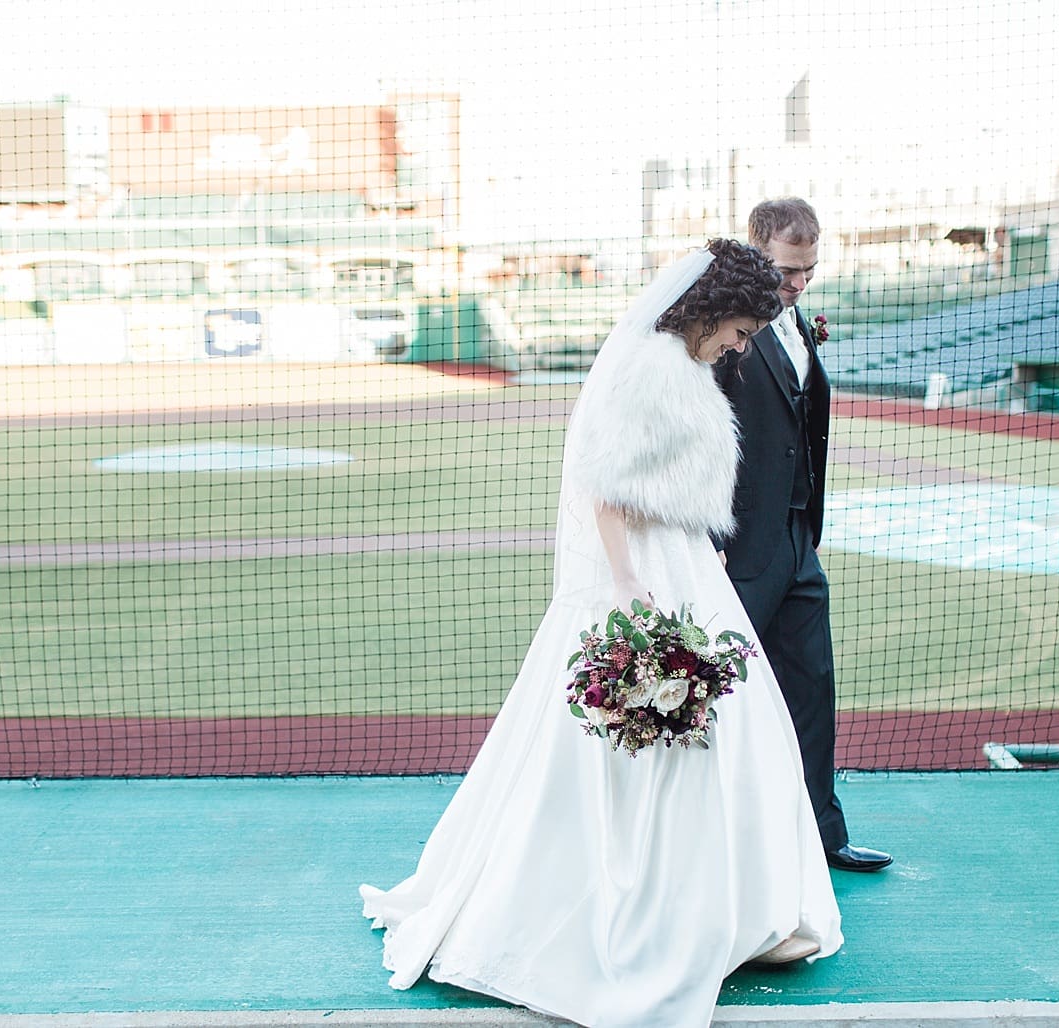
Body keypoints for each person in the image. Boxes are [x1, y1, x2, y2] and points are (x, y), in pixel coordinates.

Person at [360, 239, 842, 1028]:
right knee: (651, 738)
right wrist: (626, 587)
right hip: (648, 568)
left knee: (725, 730)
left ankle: (730, 908)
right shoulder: (649, 366)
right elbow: (606, 489)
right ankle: (653, 916)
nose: (741, 344)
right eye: (742, 328)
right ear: (713, 307)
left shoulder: (681, 367)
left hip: (685, 560)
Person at [712, 198, 892, 873]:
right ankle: (714, 847)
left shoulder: (795, 322)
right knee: (717, 696)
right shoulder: (718, 326)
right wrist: (710, 537)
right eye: (788, 271)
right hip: (736, 546)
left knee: (812, 687)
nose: (798, 285)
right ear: (755, 250)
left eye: (809, 272)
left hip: (796, 542)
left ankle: (822, 837)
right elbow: (699, 435)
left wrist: (804, 530)